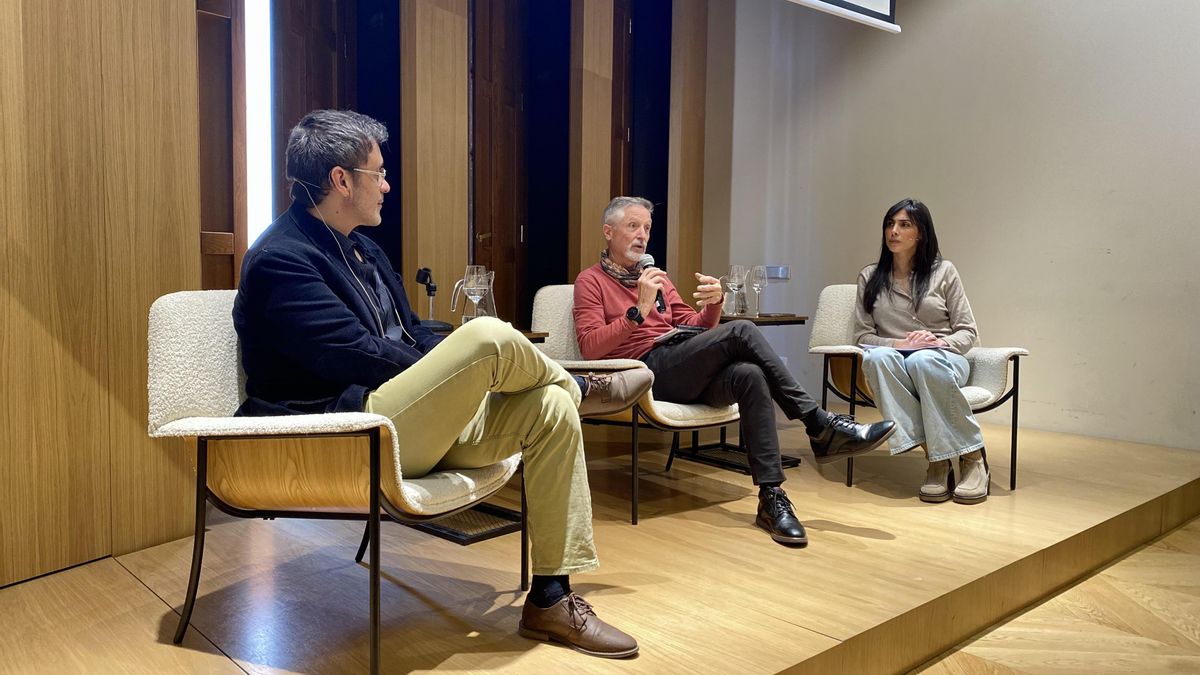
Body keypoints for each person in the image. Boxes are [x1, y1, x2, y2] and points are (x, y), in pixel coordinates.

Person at [233, 110, 653, 658]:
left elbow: (412, 332)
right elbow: (355, 356)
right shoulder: (281, 260)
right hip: (348, 430)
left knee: (546, 404)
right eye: (377, 173)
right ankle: (582, 384)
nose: (386, 185)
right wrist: (466, 362)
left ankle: (552, 598)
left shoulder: (362, 247)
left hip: (403, 421)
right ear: (341, 180)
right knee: (486, 336)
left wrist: (454, 362)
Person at [572, 196, 896, 547]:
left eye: (647, 228)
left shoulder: (656, 278)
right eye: (633, 226)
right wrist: (638, 311)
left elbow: (694, 325)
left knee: (749, 376)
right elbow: (591, 347)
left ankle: (771, 498)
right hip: (643, 372)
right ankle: (819, 423)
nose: (642, 235)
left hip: (680, 364)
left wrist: (714, 305)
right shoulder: (590, 281)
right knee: (742, 331)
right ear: (609, 232)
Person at [853, 198, 987, 504]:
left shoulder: (945, 272)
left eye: (904, 225)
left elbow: (968, 331)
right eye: (890, 224)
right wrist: (900, 344)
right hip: (897, 362)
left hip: (943, 359)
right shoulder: (869, 277)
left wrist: (940, 343)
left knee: (924, 360)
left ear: (921, 234)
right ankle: (937, 458)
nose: (894, 231)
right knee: (876, 357)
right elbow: (861, 336)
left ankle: (971, 457)